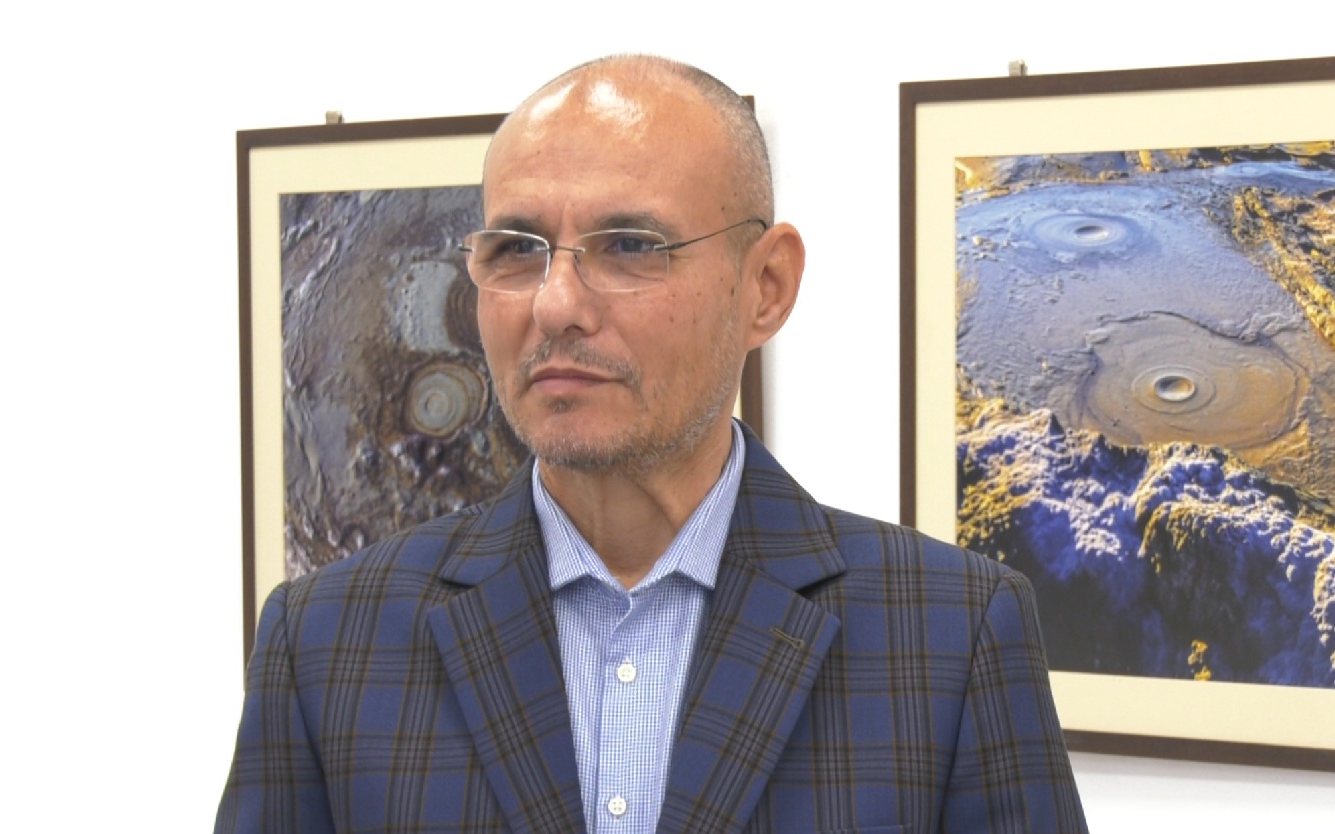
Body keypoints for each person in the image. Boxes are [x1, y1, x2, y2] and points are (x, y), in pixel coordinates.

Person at [216, 55, 1089, 834]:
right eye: (516, 249)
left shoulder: (948, 635)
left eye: (629, 246)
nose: (555, 304)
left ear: (766, 287)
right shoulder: (327, 642)